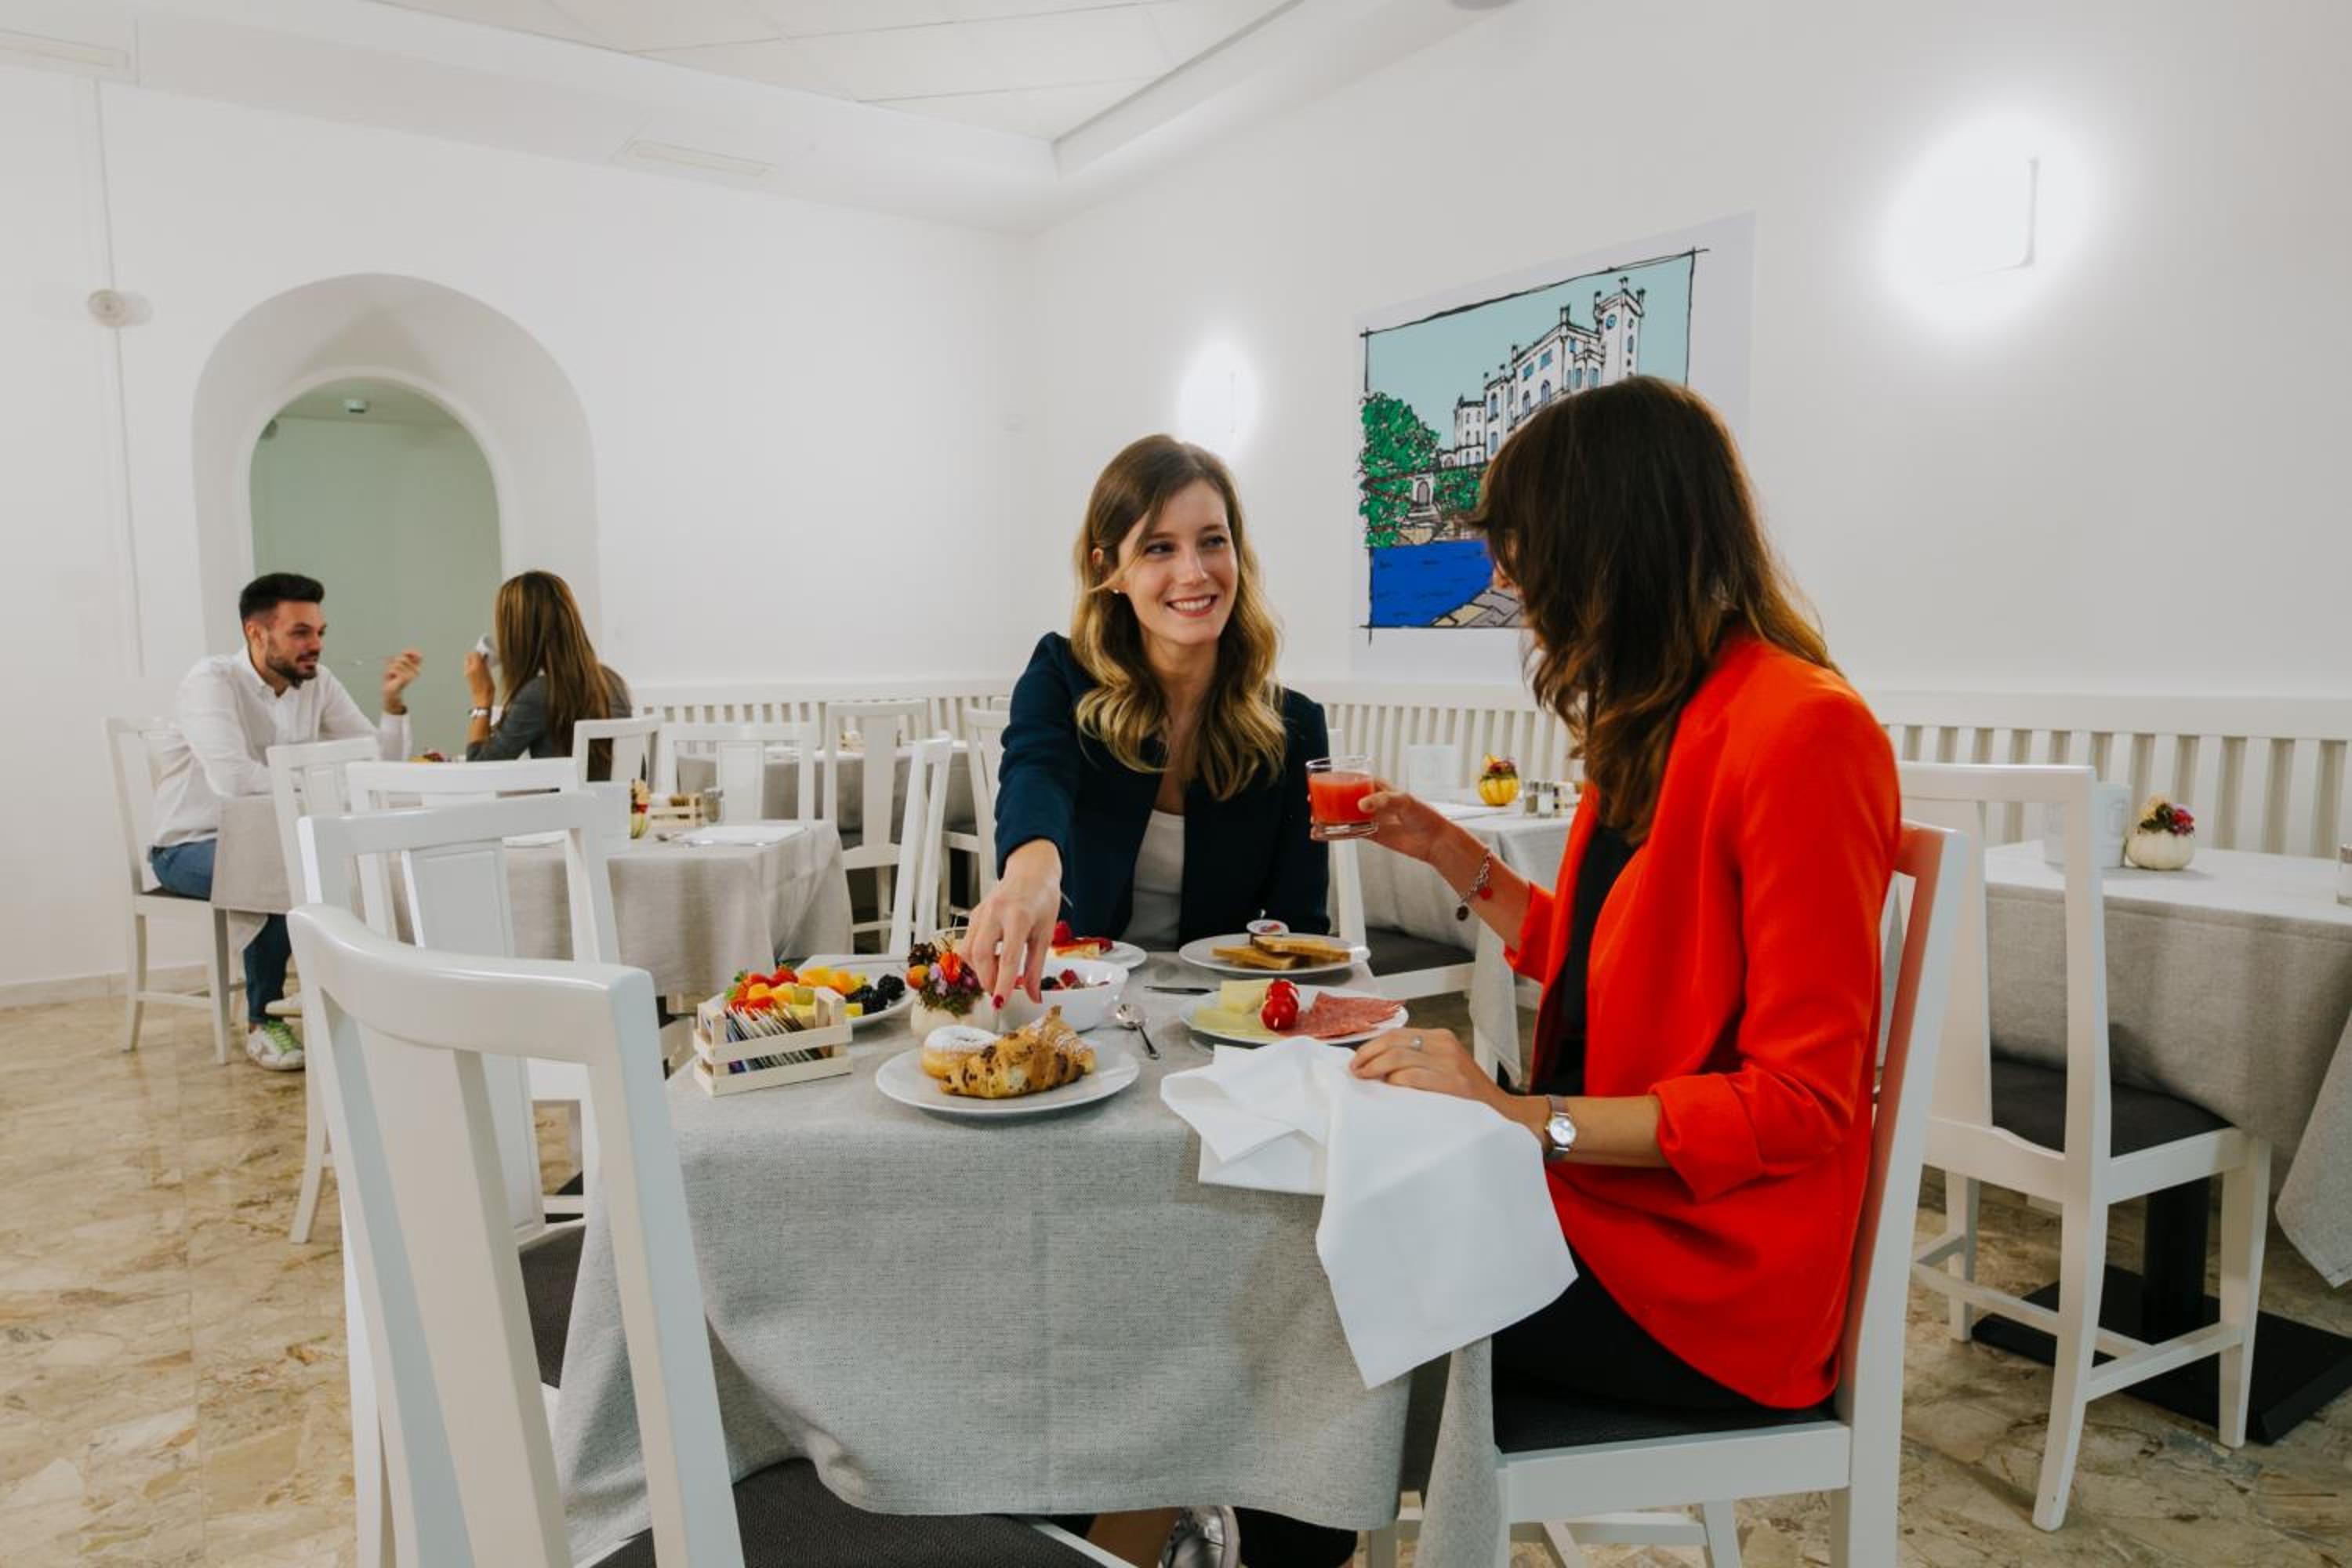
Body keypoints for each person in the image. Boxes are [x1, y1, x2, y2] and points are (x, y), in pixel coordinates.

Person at [1350, 377, 1900, 1436]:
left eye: (1520, 541)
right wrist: (1449, 852)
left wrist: (1521, 1118)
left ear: (1609, 541)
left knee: (1337, 1291)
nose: (1503, 574)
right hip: (1611, 1200)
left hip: (1709, 1278)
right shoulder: (1661, 710)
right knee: (1330, 1216)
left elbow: (1803, 1101)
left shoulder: (1803, 731)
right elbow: (1608, 957)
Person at [966, 434, 1329, 1006]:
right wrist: (1030, 874)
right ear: (1109, 568)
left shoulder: (1296, 726)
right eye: (1160, 548)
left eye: (1213, 541)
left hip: (1221, 1015)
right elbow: (1037, 771)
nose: (1195, 572)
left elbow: (1300, 929)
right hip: (1077, 1003)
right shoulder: (1062, 675)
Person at [147, 572, 423, 1070]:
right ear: (256, 633)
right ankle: (264, 1017)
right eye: (300, 632)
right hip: (187, 846)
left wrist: (392, 705)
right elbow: (233, 780)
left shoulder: (317, 682)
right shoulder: (211, 682)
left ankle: (344, 991)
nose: (315, 644)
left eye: (319, 632)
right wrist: (318, 786)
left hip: (274, 841)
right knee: (283, 866)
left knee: (351, 863)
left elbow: (371, 762)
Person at [463, 570, 632, 778]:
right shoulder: (613, 681)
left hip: (569, 800)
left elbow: (477, 770)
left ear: (518, 634)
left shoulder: (539, 694)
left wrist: (482, 697)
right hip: (621, 798)